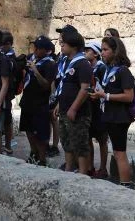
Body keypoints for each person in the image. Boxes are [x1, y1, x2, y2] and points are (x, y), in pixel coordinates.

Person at [92, 35, 135, 187]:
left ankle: (126, 184)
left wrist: (105, 95)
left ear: (115, 51)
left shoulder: (123, 71)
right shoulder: (108, 69)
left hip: (120, 117)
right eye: (102, 49)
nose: (102, 53)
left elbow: (129, 96)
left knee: (119, 153)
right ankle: (122, 182)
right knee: (116, 152)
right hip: (110, 115)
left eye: (105, 50)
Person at [53, 26, 92, 174]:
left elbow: (84, 89)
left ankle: (83, 172)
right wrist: (58, 104)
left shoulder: (82, 64)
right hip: (64, 108)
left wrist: (74, 108)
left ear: (74, 46)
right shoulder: (66, 62)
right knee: (66, 141)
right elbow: (64, 86)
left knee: (79, 142)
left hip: (78, 112)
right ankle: (69, 168)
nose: (61, 45)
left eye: (64, 43)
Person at [19, 36, 57, 166]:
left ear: (46, 51)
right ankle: (33, 153)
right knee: (28, 129)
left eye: (38, 48)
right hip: (27, 99)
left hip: (40, 102)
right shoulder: (32, 58)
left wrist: (35, 71)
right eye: (35, 46)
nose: (35, 50)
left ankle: (42, 159)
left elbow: (46, 84)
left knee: (40, 132)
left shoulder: (50, 64)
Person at [84, 40, 109, 178]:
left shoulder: (101, 68)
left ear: (95, 53)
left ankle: (103, 168)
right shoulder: (88, 67)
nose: (85, 52)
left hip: (99, 108)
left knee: (102, 139)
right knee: (88, 138)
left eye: (88, 50)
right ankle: (90, 166)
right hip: (89, 107)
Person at [0, 31, 19, 155]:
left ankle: (8, 144)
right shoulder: (2, 55)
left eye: (2, 45)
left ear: (8, 44)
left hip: (7, 93)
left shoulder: (11, 58)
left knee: (7, 119)